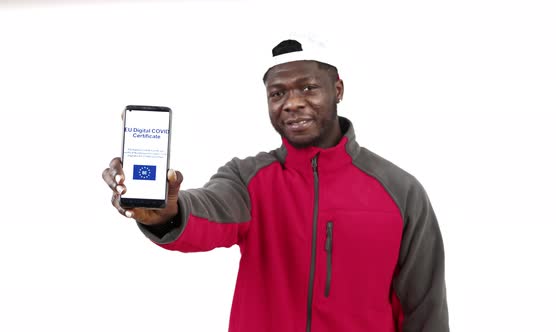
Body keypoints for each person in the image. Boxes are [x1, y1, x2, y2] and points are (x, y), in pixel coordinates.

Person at [103, 38, 449, 332]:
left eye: (308, 88)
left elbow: (424, 308)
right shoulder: (247, 179)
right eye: (277, 93)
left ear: (338, 89)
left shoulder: (400, 191)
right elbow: (209, 212)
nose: (292, 103)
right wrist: (167, 212)